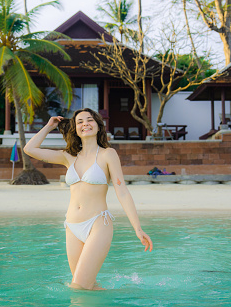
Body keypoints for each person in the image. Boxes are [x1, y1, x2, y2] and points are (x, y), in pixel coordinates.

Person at [24, 108, 153, 290]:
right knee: (86, 286)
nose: (85, 124)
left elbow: (122, 191)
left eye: (90, 120)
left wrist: (137, 228)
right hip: (72, 226)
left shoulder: (108, 154)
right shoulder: (68, 157)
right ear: (75, 129)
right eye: (80, 122)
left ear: (98, 126)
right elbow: (29, 149)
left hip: (98, 224)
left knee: (78, 286)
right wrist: (48, 126)